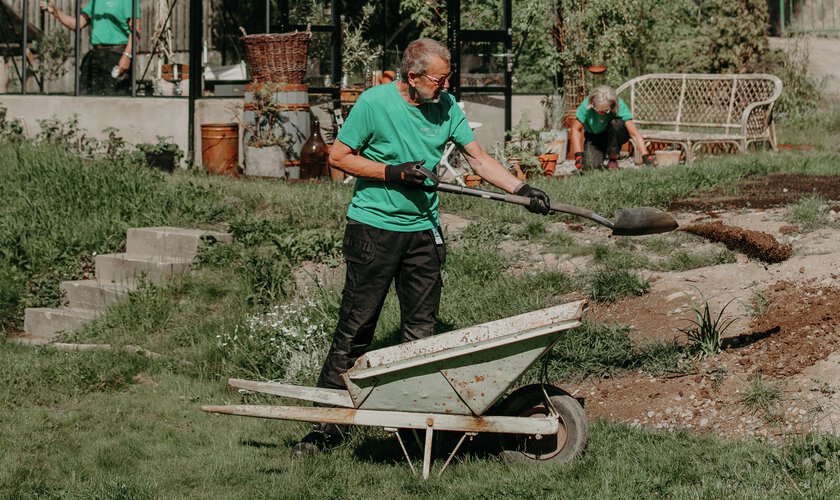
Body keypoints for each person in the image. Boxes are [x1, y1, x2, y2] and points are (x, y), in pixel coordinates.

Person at [291, 38, 551, 457]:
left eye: (448, 76)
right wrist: (391, 172)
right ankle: (326, 428)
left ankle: (415, 430)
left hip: (423, 233)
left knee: (422, 337)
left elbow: (479, 160)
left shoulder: (445, 107)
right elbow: (339, 157)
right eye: (439, 78)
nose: (446, 85)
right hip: (373, 230)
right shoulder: (375, 103)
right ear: (412, 77)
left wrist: (522, 189)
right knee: (356, 330)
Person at [40, 0, 140, 96]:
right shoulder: (95, 1)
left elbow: (136, 30)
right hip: (96, 55)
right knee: (86, 97)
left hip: (116, 55)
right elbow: (77, 23)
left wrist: (127, 56)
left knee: (114, 100)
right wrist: (55, 11)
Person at [569, 85, 654, 171]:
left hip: (613, 134)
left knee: (617, 124)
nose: (601, 113)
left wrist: (645, 155)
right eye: (597, 110)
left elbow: (634, 134)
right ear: (592, 103)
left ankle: (613, 159)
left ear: (612, 105)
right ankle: (599, 156)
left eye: (605, 111)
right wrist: (578, 154)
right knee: (591, 167)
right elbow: (576, 129)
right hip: (594, 137)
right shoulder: (586, 105)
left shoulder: (619, 105)